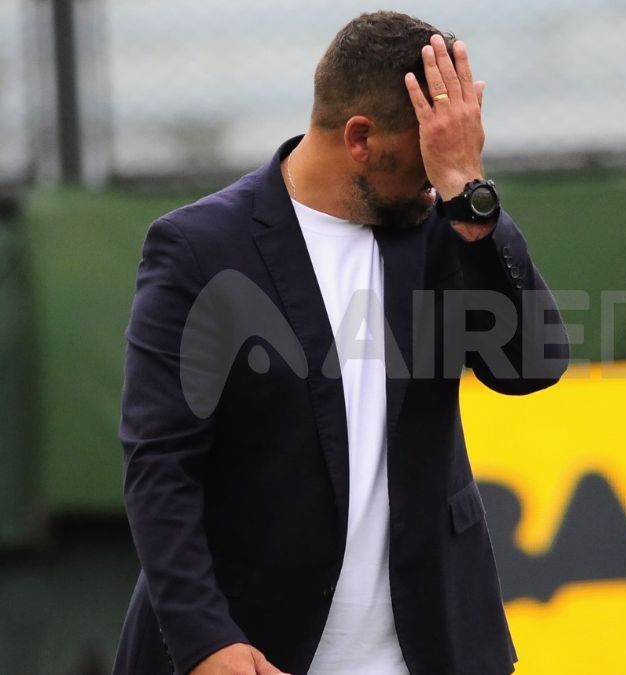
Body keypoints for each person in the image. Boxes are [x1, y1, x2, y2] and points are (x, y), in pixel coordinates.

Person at [113, 11, 568, 675]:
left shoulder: (447, 220)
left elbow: (531, 365)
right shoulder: (198, 249)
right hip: (254, 649)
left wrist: (469, 197)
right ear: (360, 138)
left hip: (433, 649)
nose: (437, 180)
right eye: (426, 160)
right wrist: (204, 639)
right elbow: (161, 463)